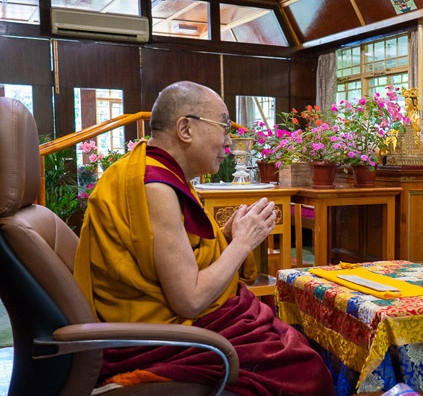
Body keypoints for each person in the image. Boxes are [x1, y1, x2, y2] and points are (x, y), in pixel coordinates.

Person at [73, 81, 334, 395]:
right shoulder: (155, 186)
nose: (228, 140)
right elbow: (190, 300)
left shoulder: (153, 169)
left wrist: (226, 235)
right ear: (185, 129)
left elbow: (174, 255)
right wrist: (242, 243)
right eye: (224, 126)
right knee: (304, 369)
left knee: (288, 338)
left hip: (175, 318)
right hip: (160, 337)